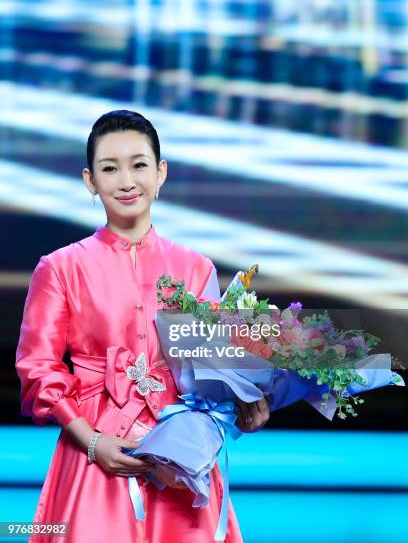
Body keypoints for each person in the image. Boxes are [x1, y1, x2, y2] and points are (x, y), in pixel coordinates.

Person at [16, 110, 270, 543]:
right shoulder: (60, 268)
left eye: (139, 165)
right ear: (89, 180)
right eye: (109, 169)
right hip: (95, 451)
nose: (126, 181)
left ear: (161, 173)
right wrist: (92, 442)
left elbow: (212, 372)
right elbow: (38, 368)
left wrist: (246, 406)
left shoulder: (196, 267)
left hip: (180, 456)